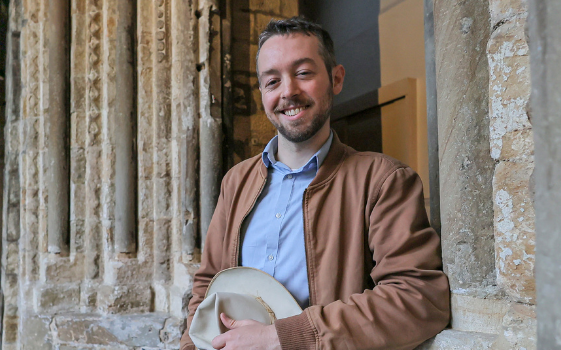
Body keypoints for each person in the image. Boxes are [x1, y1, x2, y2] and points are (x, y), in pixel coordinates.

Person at [179, 17, 450, 350]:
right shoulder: (236, 181)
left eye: (303, 73)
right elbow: (207, 287)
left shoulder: (384, 181)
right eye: (272, 81)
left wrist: (280, 338)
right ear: (262, 93)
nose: (288, 91)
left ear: (335, 79)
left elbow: (418, 299)